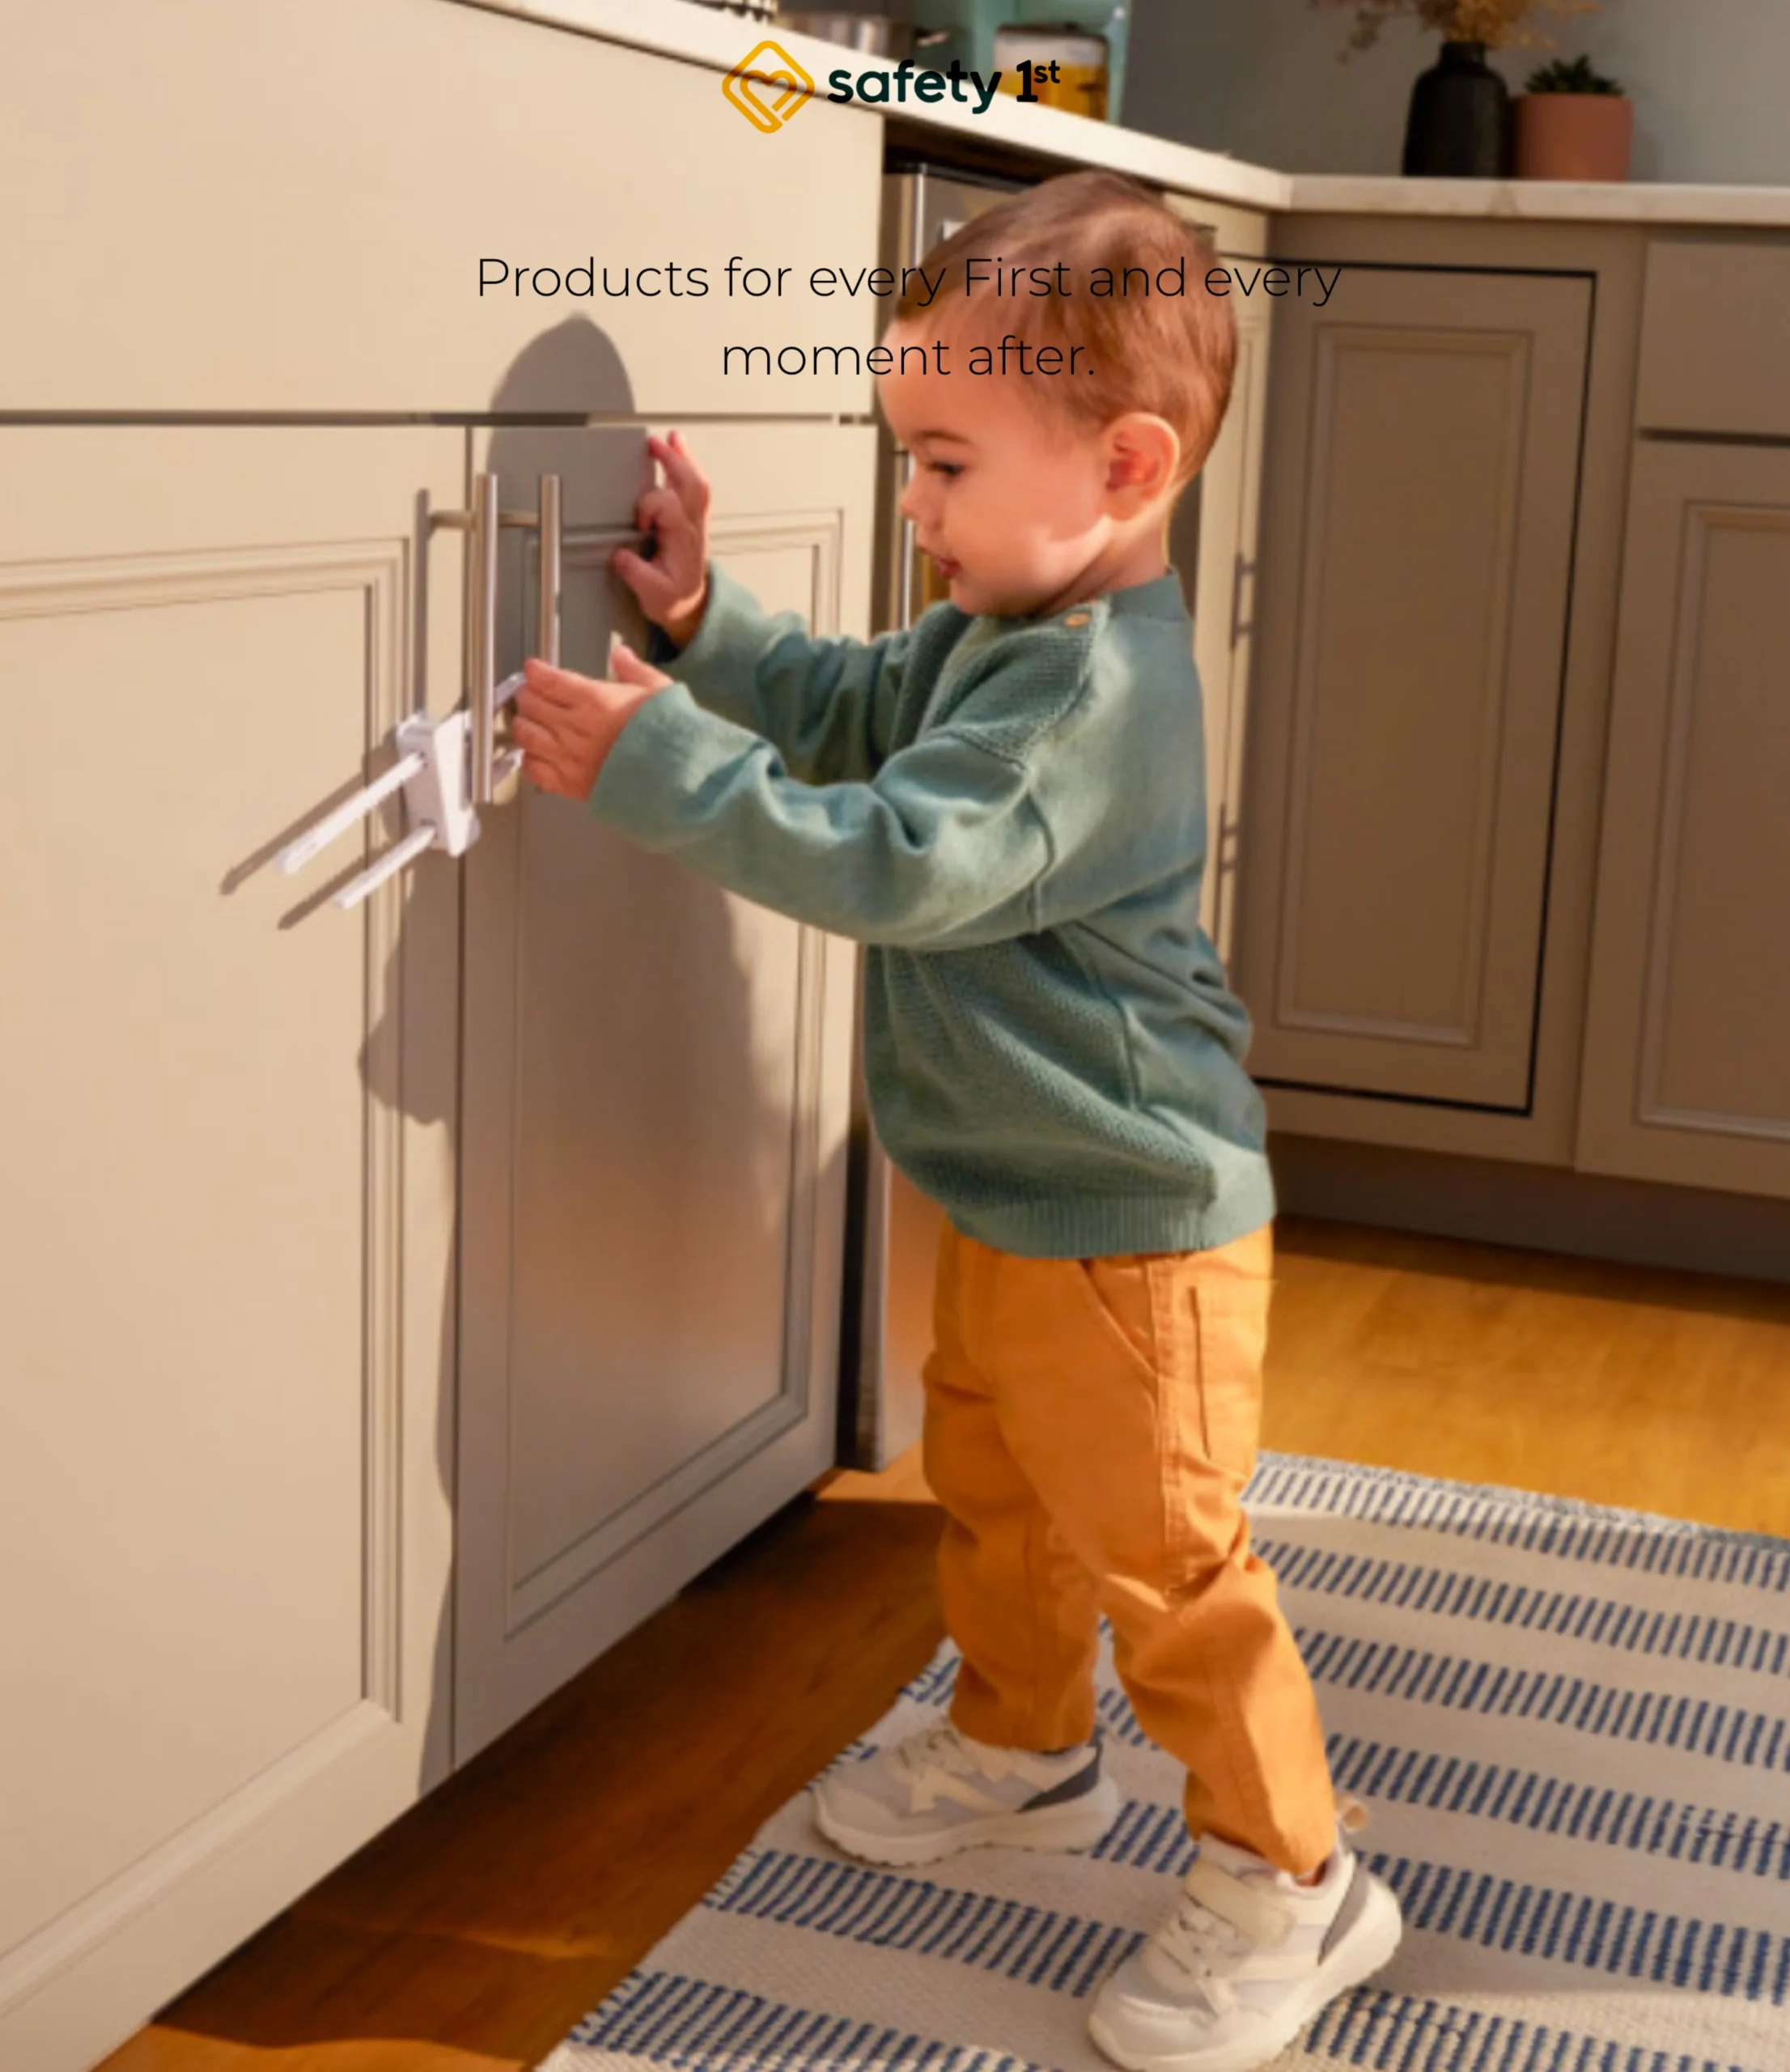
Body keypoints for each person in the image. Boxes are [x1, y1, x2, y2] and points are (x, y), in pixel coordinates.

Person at [509, 167, 1402, 2072]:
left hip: (1131, 1219)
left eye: (941, 462)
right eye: (904, 457)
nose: (910, 503)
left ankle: (1290, 1873)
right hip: (1016, 1186)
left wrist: (661, 767)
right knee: (1000, 1487)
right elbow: (853, 709)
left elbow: (897, 862)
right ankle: (1020, 1743)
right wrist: (705, 622)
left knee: (1169, 1566)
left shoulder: (1092, 686)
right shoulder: (1000, 625)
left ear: (1124, 466)